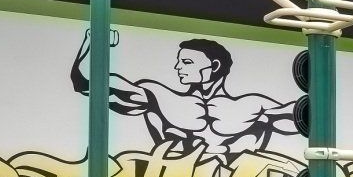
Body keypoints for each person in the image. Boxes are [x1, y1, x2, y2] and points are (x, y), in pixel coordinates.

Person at [71, 29, 299, 162]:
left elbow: (307, 119)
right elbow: (84, 83)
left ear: (215, 66)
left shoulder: (254, 107)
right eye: (179, 62)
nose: (178, 68)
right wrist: (92, 41)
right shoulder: (157, 97)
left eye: (187, 62)